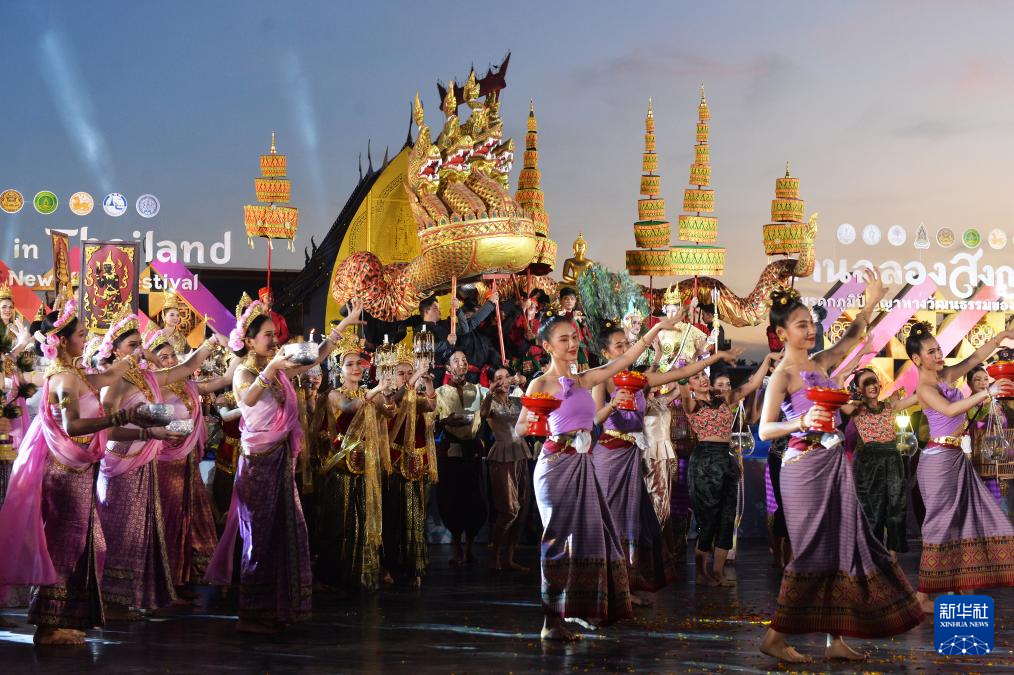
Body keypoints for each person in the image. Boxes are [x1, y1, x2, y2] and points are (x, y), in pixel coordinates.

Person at [757, 276, 923, 663]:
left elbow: (851, 337)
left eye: (810, 323)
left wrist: (871, 303)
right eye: (800, 325)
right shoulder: (782, 376)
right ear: (781, 334)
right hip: (804, 467)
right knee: (813, 552)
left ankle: (835, 640)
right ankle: (775, 637)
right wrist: (801, 421)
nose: (809, 330)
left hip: (833, 464)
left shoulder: (819, 363)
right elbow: (765, 430)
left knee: (842, 548)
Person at [0, 301, 170, 644]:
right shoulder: (64, 379)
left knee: (80, 543)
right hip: (65, 474)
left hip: (79, 471)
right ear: (62, 341)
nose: (84, 338)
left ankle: (59, 619)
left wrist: (135, 355)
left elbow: (107, 377)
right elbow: (73, 425)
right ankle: (47, 625)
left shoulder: (74, 373)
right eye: (80, 334)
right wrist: (117, 417)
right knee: (64, 544)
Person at [515, 311, 684, 641]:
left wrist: (657, 329)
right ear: (547, 346)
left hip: (584, 464)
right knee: (557, 542)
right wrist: (544, 424)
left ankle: (582, 608)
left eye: (574, 337)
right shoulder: (540, 384)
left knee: (589, 538)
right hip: (555, 465)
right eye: (563, 339)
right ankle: (551, 621)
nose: (572, 343)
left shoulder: (585, 379)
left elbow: (626, 360)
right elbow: (521, 427)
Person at [206, 294, 359, 633]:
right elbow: (247, 399)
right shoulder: (245, 372)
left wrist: (343, 327)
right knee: (259, 538)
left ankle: (276, 608)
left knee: (286, 533)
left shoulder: (275, 368)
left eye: (275, 335)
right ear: (249, 341)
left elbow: (314, 357)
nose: (275, 341)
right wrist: (272, 368)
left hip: (280, 461)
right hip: (257, 466)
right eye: (268, 336)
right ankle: (249, 615)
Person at [594, 323, 742, 602]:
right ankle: (606, 587)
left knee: (632, 523)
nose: (625, 349)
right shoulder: (601, 378)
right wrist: (612, 405)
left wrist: (716, 357)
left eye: (627, 344)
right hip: (609, 453)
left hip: (632, 455)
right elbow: (594, 419)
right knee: (611, 520)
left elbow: (683, 373)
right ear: (605, 352)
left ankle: (626, 587)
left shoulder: (641, 379)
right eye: (619, 345)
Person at [97, 311, 217, 619]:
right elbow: (105, 430)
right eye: (132, 345)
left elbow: (186, 368)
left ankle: (127, 600)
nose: (138, 351)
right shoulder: (113, 383)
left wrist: (212, 343)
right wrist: (147, 433)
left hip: (144, 461)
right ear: (115, 350)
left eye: (140, 345)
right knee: (121, 531)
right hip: (122, 463)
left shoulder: (146, 378)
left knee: (140, 532)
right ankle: (110, 602)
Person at [907, 321, 1014, 612]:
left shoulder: (946, 375)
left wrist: (1002, 335)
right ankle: (921, 598)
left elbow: (975, 357)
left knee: (963, 523)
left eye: (939, 349)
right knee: (940, 527)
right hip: (938, 462)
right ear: (917, 359)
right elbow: (951, 409)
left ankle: (961, 589)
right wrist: (988, 392)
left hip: (955, 458)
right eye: (931, 352)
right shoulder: (925, 388)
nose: (939, 355)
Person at [148, 328, 238, 597]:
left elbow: (227, 378)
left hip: (188, 460)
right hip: (164, 461)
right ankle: (167, 581)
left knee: (191, 514)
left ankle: (187, 576)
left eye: (172, 355)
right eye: (163, 357)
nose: (170, 360)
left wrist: (237, 348)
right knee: (170, 517)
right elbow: (147, 422)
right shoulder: (152, 388)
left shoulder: (188, 385)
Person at [681, 352, 781, 587]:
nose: (702, 379)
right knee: (708, 519)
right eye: (696, 377)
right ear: (691, 384)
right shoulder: (691, 404)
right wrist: (689, 363)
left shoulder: (725, 400)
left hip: (726, 459)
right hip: (705, 461)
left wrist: (767, 359)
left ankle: (718, 572)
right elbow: (682, 381)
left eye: (703, 375)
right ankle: (701, 573)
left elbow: (752, 385)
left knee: (727, 517)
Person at [316, 328, 393, 592]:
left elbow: (388, 412)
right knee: (339, 521)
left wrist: (388, 397)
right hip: (341, 465)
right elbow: (350, 408)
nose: (356, 368)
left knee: (363, 518)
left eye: (359, 363)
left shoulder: (370, 393)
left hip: (366, 465)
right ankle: (333, 576)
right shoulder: (333, 394)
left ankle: (360, 573)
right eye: (349, 364)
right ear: (339, 369)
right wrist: (376, 392)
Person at [840, 366, 918, 557]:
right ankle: (872, 558)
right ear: (859, 389)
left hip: (893, 462)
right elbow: (836, 397)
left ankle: (892, 560)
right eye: (866, 383)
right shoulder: (855, 408)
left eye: (874, 381)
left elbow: (920, 396)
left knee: (896, 510)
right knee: (871, 512)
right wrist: (846, 373)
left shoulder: (891, 406)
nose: (872, 386)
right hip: (867, 465)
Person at [383, 344, 437, 587]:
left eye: (409, 372)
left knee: (416, 518)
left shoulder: (417, 397)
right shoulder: (388, 397)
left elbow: (431, 406)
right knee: (392, 518)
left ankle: (414, 568)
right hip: (394, 463)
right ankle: (388, 567)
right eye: (401, 373)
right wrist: (415, 378)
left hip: (418, 463)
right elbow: (395, 404)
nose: (406, 377)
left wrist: (428, 383)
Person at [435, 350, 489, 565]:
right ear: (448, 368)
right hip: (450, 452)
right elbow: (431, 420)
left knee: (475, 500)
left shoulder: (477, 390)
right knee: (451, 500)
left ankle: (470, 547)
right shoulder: (439, 392)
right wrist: (445, 422)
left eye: (464, 360)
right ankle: (457, 546)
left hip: (472, 451)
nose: (461, 363)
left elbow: (487, 413)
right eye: (456, 361)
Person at [479, 367, 530, 572]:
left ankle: (509, 558)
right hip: (502, 456)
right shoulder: (491, 402)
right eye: (498, 378)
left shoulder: (517, 401)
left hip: (521, 453)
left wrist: (524, 383)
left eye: (506, 377)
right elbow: (483, 414)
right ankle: (494, 555)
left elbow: (535, 407)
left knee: (522, 509)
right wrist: (490, 391)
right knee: (509, 510)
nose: (503, 381)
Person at [964, 365, 1006, 508]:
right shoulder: (966, 405)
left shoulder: (995, 403)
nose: (983, 383)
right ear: (969, 383)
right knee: (975, 502)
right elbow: (975, 422)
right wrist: (986, 410)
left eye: (986, 379)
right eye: (977, 380)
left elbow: (1003, 426)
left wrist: (999, 418)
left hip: (992, 459)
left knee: (994, 503)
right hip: (974, 458)